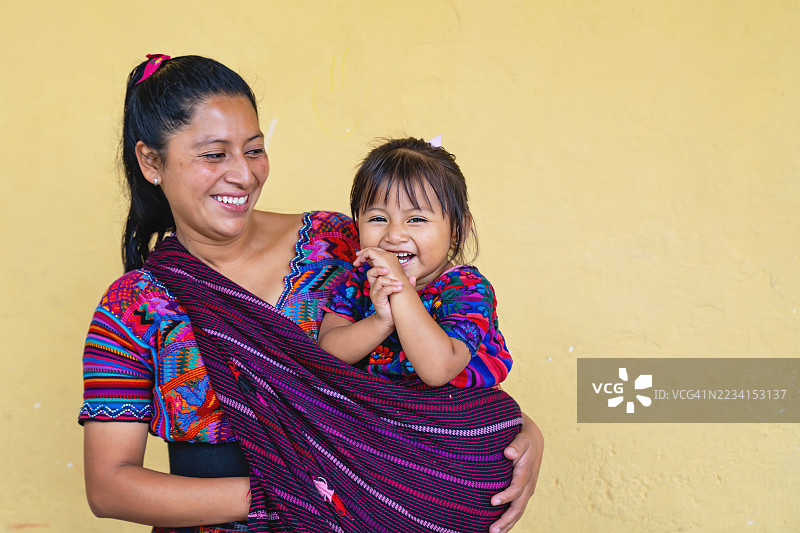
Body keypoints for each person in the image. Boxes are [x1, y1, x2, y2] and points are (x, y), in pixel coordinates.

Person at [80, 54, 543, 533]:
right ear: (151, 161)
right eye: (214, 154)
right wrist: (296, 486)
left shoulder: (339, 244)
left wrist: (519, 431)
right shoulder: (130, 307)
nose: (243, 174)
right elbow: (110, 486)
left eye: (254, 150)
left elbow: (415, 381)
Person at [319, 137, 512, 390]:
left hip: (456, 414)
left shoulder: (467, 288)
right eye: (378, 218)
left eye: (416, 219)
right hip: (387, 411)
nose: (394, 235)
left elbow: (438, 369)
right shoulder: (359, 281)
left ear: (457, 231)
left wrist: (401, 290)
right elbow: (327, 353)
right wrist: (380, 322)